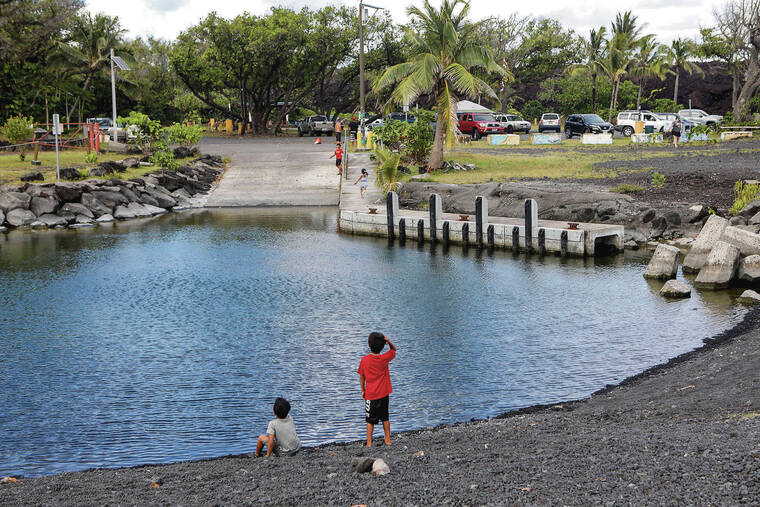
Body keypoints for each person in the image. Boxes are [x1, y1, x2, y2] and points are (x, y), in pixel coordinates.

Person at [357, 332, 397, 447]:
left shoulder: (364, 360)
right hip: (384, 394)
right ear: (382, 346)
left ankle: (369, 442)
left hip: (371, 395)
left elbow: (361, 376)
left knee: (370, 420)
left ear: (369, 345)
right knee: (385, 418)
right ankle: (387, 440)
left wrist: (362, 390)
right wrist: (389, 342)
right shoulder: (384, 358)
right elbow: (394, 350)